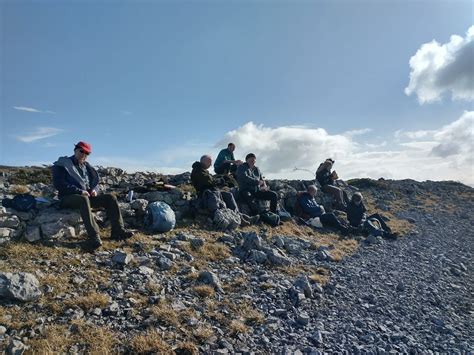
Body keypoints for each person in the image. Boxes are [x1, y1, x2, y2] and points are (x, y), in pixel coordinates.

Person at [52, 141, 133, 250]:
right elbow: (59, 184)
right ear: (75, 150)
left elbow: (94, 184)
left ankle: (118, 231)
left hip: (85, 197)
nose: (84, 155)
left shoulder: (86, 167)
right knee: (83, 199)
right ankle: (94, 237)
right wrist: (79, 191)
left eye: (87, 153)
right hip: (67, 198)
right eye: (82, 151)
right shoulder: (62, 165)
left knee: (110, 198)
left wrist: (94, 190)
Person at [191, 155, 259, 225]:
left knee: (228, 195)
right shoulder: (197, 170)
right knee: (226, 196)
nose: (211, 164)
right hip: (206, 193)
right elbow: (208, 181)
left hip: (212, 191)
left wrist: (217, 181)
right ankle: (242, 220)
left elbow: (210, 180)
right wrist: (218, 181)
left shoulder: (202, 170)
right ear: (204, 161)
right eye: (210, 162)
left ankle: (242, 217)